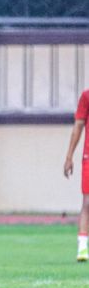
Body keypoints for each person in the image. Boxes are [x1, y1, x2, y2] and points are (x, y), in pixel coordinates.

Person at [63, 89, 89, 262]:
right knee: (87, 202)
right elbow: (78, 125)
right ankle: (82, 247)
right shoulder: (86, 96)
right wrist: (69, 156)